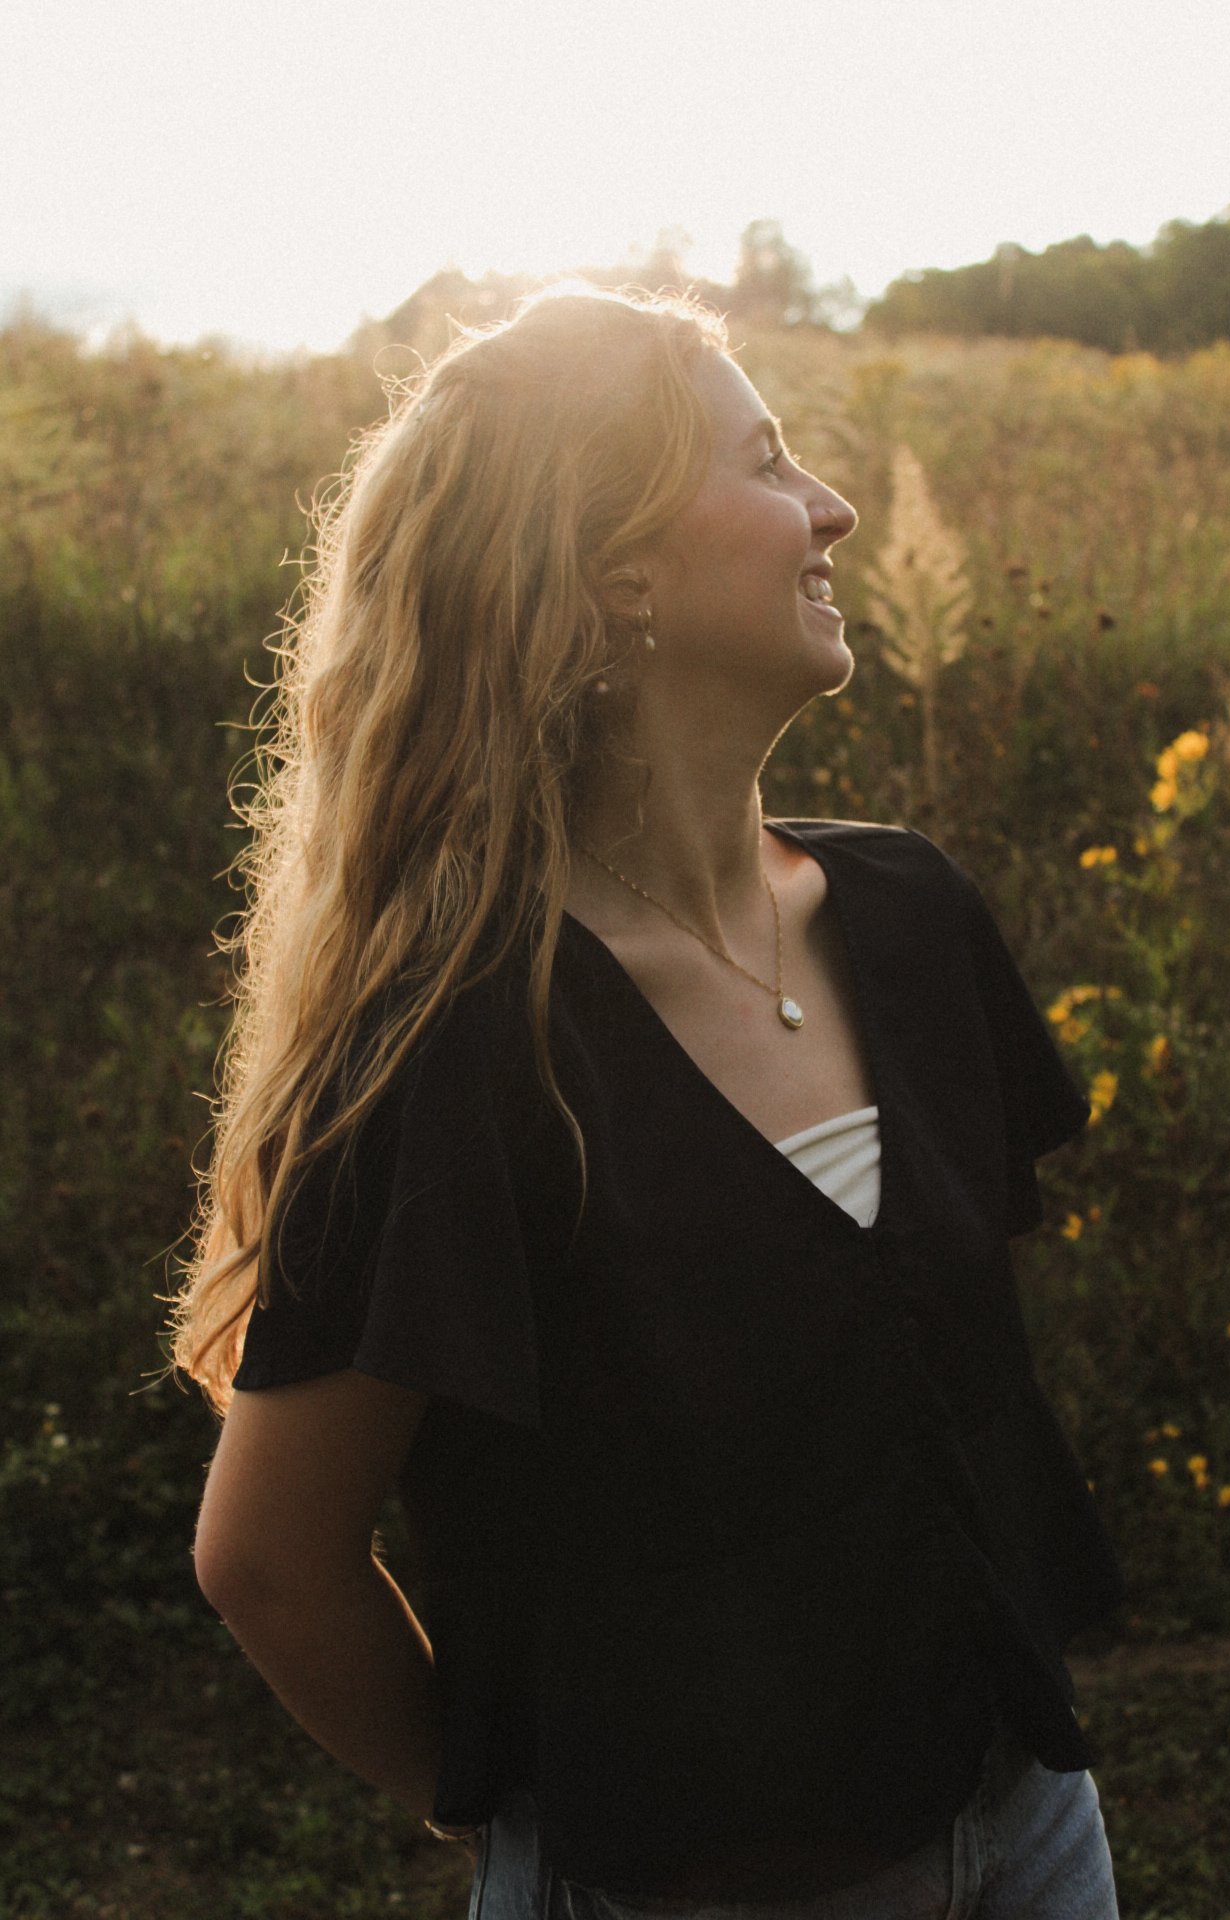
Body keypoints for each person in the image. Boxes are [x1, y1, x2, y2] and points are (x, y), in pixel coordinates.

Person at [173, 283, 1124, 1919]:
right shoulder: (459, 1042)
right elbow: (269, 1559)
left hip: (1031, 1822)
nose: (831, 506)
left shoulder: (910, 920)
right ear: (617, 571)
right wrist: (543, 1836)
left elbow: (923, 1402)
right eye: (767, 463)